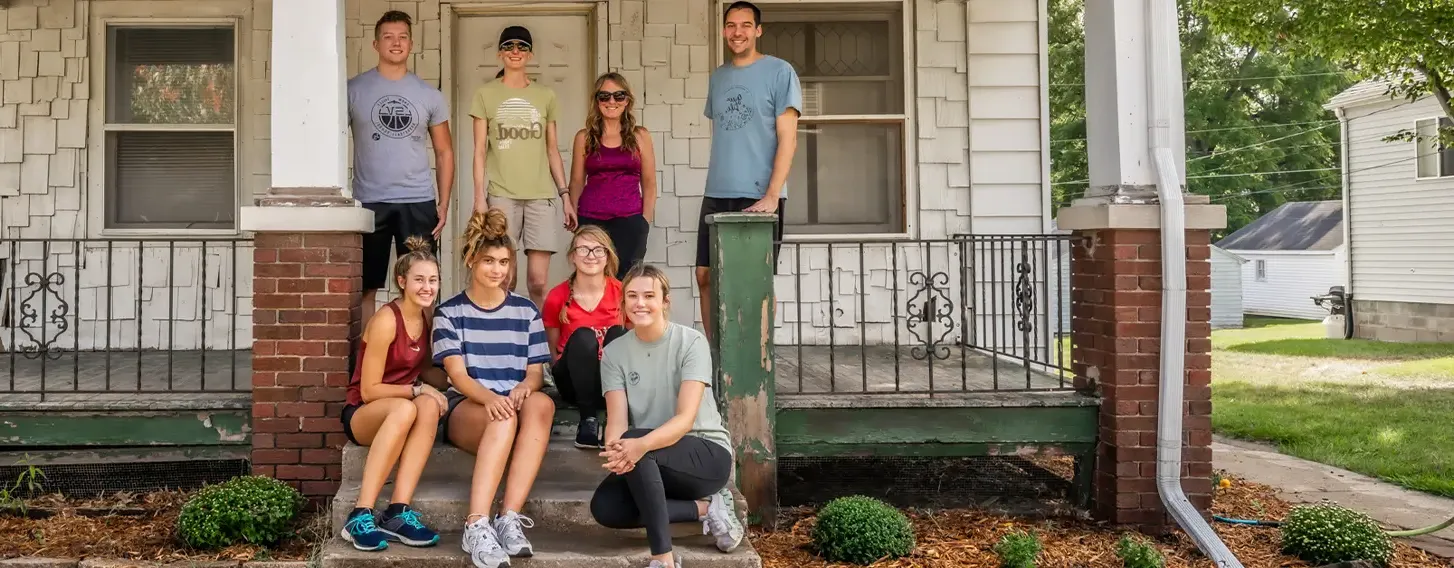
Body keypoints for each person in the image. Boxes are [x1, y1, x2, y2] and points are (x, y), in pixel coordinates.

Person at [588, 264, 746, 568]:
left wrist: (635, 445)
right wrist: (616, 450)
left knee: (637, 441)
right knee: (605, 507)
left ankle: (663, 559)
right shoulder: (614, 354)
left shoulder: (691, 342)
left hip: (704, 453)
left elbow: (686, 419)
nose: (640, 303)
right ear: (623, 304)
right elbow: (617, 421)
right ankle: (705, 509)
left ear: (665, 301)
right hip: (650, 458)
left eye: (649, 295)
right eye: (632, 296)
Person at [433, 209, 555, 568]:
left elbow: (535, 373)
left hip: (512, 406)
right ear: (472, 261)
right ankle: (476, 525)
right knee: (502, 417)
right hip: (469, 407)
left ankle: (509, 518)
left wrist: (522, 389)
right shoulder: (450, 312)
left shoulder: (526, 311)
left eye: (503, 261)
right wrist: (492, 398)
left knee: (542, 405)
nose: (497, 270)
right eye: (489, 261)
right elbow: (457, 376)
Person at [696, 0, 801, 339]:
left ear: (758, 30)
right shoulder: (719, 77)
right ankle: (715, 357)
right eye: (730, 25)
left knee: (754, 281)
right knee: (705, 275)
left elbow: (788, 139)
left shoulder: (779, 72)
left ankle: (756, 359)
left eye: (744, 25)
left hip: (759, 194)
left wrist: (772, 195)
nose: (736, 32)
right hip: (717, 190)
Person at [338, 236, 448, 551]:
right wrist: (418, 389)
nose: (427, 287)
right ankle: (360, 515)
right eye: (419, 280)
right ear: (402, 281)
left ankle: (398, 511)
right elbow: (370, 391)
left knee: (427, 407)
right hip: (363, 413)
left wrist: (460, 378)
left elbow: (426, 370)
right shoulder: (387, 320)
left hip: (403, 407)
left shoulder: (426, 316)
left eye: (433, 280)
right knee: (410, 407)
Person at [348, 10, 455, 325]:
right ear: (375, 44)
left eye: (403, 37)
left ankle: (423, 362)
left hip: (417, 201)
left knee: (423, 285)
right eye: (388, 37)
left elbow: (445, 151)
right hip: (369, 201)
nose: (396, 43)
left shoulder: (428, 95)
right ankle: (368, 358)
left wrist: (444, 202)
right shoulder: (353, 90)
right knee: (366, 287)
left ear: (411, 44)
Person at [469, 25, 571, 308]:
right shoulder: (485, 94)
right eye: (510, 46)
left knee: (538, 281)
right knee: (504, 278)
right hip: (502, 195)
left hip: (540, 195)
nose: (516, 51)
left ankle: (535, 342)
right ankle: (502, 338)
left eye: (522, 46)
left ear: (530, 54)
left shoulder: (545, 95)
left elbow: (552, 149)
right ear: (501, 53)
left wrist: (565, 196)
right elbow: (478, 151)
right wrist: (480, 197)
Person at [542, 226, 627, 450]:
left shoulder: (622, 292)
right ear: (572, 256)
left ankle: (615, 419)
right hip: (574, 384)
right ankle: (588, 422)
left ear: (608, 256)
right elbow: (554, 352)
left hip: (613, 383)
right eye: (583, 249)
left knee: (618, 334)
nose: (591, 256)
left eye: (598, 250)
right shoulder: (556, 296)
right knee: (583, 337)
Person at [567, 73, 657, 279]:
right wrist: (573, 213)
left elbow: (650, 183)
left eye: (619, 95)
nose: (612, 101)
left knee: (627, 281)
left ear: (627, 101)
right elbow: (577, 181)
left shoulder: (640, 136)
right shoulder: (584, 137)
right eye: (604, 96)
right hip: (591, 219)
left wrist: (644, 221)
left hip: (630, 220)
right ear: (597, 101)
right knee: (593, 279)